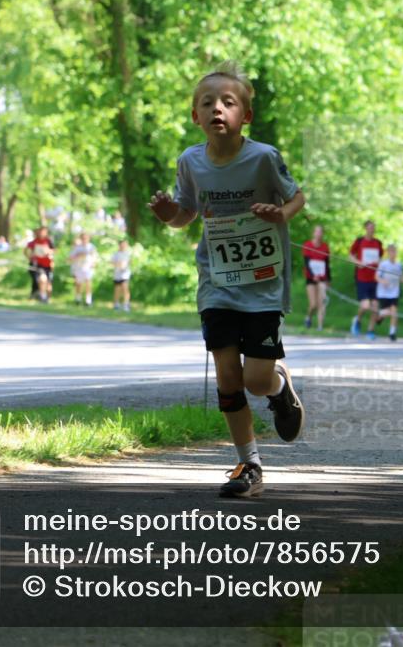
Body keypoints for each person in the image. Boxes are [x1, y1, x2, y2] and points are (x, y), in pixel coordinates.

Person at [147, 61, 306, 498]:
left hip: (263, 284)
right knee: (228, 379)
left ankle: (278, 387)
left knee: (255, 379)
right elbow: (185, 213)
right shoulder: (190, 162)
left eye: (228, 102)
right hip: (216, 283)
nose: (217, 108)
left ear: (245, 115)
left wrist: (281, 213)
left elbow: (297, 197)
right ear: (195, 116)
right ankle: (248, 464)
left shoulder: (263, 158)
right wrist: (169, 214)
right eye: (207, 103)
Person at [348, 220, 383, 337]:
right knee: (365, 305)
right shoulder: (359, 241)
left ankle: (370, 330)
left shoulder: (378, 243)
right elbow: (350, 255)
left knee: (375, 306)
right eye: (370, 228)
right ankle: (357, 320)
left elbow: (380, 257)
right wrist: (358, 262)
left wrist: (379, 263)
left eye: (373, 228)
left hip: (375, 279)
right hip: (362, 278)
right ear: (365, 229)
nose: (372, 230)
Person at [301, 225, 330, 330]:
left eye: (320, 232)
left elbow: (327, 264)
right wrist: (313, 275)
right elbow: (307, 263)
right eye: (317, 232)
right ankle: (308, 317)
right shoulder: (307, 245)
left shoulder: (325, 247)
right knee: (313, 304)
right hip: (311, 278)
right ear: (313, 233)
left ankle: (320, 326)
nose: (319, 234)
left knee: (321, 303)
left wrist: (328, 279)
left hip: (322, 279)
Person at [373, 243, 403, 341]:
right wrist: (383, 281)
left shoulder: (399, 265)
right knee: (387, 312)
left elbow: (401, 276)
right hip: (383, 293)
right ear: (388, 253)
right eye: (391, 251)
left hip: (394, 292)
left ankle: (392, 333)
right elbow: (376, 276)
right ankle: (379, 317)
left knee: (394, 312)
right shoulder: (383, 264)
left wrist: (402, 279)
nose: (393, 253)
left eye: (394, 251)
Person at [25, 226, 55, 303]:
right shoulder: (34, 242)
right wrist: (30, 257)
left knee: (49, 284)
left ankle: (47, 298)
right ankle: (42, 296)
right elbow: (27, 251)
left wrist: (48, 252)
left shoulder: (49, 241)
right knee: (42, 279)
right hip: (38, 265)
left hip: (48, 265)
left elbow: (53, 251)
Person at [71, 232, 97, 306]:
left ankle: (88, 300)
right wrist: (78, 256)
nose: (84, 239)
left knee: (88, 282)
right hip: (79, 267)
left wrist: (94, 263)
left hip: (88, 268)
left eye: (86, 238)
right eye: (83, 238)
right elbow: (71, 258)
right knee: (79, 284)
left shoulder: (92, 247)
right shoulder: (77, 248)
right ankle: (78, 298)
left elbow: (94, 257)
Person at [112, 239, 132, 312]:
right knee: (117, 289)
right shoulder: (116, 254)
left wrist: (124, 265)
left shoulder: (128, 254)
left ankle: (126, 304)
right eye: (122, 244)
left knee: (125, 288)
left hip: (125, 274)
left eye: (124, 245)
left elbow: (130, 262)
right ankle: (116, 304)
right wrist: (118, 264)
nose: (123, 246)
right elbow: (112, 262)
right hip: (117, 274)